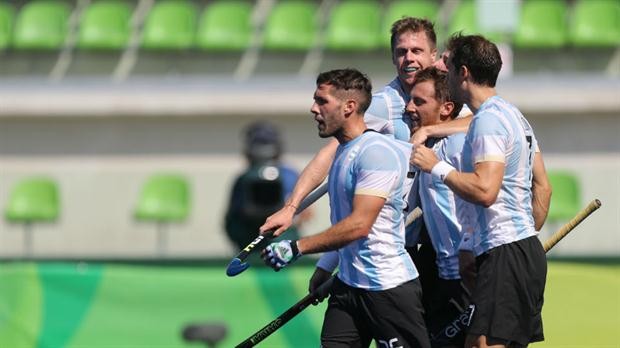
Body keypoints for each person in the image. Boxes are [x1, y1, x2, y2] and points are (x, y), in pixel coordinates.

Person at [261, 68, 430, 348]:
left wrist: (296, 247)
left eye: (322, 101)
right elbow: (345, 222)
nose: (314, 109)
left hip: (387, 288)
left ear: (349, 107)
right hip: (349, 286)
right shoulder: (344, 150)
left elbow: (359, 224)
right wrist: (327, 267)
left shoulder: (375, 153)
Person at [411, 33, 551, 348]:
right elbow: (544, 186)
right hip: (514, 251)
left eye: (448, 65)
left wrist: (436, 166)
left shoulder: (488, 121)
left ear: (463, 72)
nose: (442, 71)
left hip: (505, 253)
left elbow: (486, 190)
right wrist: (525, 240)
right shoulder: (513, 115)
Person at [405, 66, 471, 347]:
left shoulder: (459, 145)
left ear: (446, 108)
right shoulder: (425, 147)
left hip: (470, 276)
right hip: (442, 276)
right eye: (410, 99)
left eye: (419, 102)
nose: (408, 107)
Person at [223, 120, 311, 251]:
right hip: (250, 244)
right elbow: (231, 220)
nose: (263, 150)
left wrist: (288, 212)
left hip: (282, 244)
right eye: (258, 144)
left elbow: (307, 213)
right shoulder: (243, 179)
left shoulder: (290, 176)